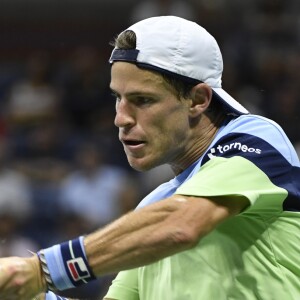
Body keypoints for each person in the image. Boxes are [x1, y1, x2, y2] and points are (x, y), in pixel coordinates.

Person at [0, 15, 300, 300]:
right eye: (118, 98)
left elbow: (183, 224)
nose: (120, 118)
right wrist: (32, 293)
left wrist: (43, 270)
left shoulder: (257, 139)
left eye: (142, 100)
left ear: (198, 100)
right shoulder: (153, 210)